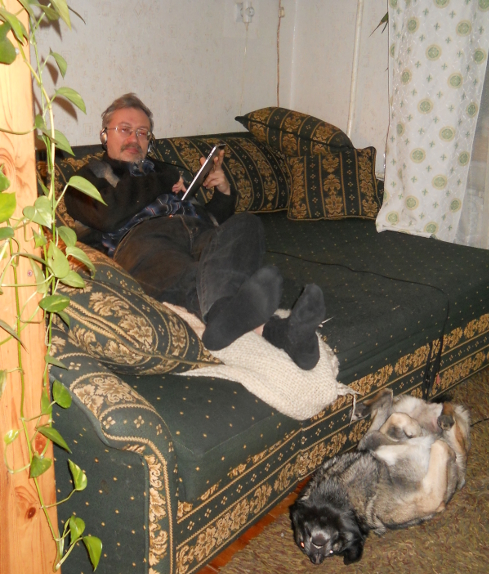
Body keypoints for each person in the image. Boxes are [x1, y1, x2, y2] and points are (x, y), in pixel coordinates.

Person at [65, 93, 325, 370]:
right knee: (194, 275)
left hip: (198, 231)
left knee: (246, 225)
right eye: (124, 129)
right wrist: (163, 179)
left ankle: (245, 322)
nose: (134, 138)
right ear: (105, 135)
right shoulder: (87, 176)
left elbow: (208, 218)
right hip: (143, 242)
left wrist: (223, 194)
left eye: (142, 132)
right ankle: (280, 332)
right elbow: (107, 216)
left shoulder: (161, 170)